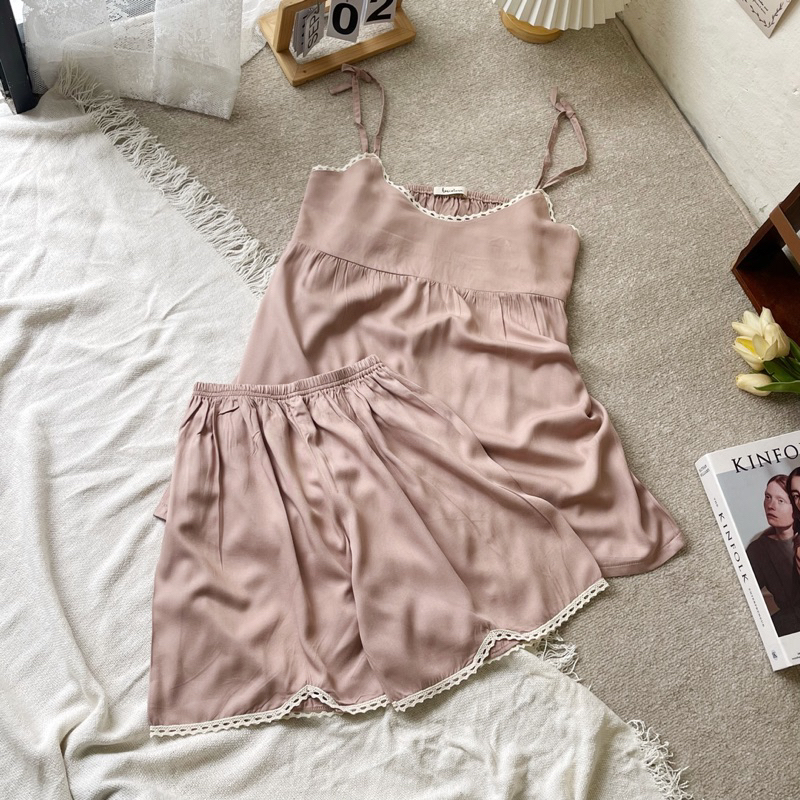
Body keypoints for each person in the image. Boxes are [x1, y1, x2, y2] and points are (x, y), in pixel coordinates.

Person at [746, 474, 800, 637]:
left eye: (780, 501)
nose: (771, 506)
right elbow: (745, 593)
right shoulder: (758, 549)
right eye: (768, 497)